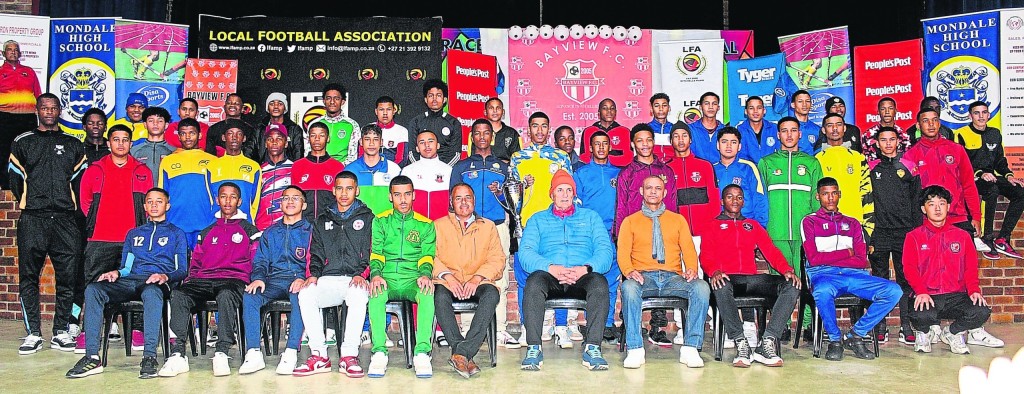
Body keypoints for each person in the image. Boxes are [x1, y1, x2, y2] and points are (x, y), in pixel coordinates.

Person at [65, 188, 187, 378]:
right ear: (145, 206)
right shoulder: (133, 234)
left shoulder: (176, 234)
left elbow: (182, 270)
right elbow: (126, 268)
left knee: (152, 292)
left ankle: (149, 357)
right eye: (150, 202)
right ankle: (92, 357)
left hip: (156, 283)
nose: (154, 205)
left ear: (167, 206)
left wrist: (165, 276)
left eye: (159, 201)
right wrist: (115, 273)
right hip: (132, 280)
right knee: (94, 289)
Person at [158, 182, 261, 377]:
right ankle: (178, 354)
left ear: (239, 201)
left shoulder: (251, 230)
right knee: (179, 293)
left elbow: (257, 262)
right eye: (223, 196)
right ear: (217, 200)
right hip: (204, 280)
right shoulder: (206, 232)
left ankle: (222, 351)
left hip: (234, 279)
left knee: (226, 294)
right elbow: (195, 263)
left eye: (232, 197)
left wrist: (253, 280)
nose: (228, 200)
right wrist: (190, 281)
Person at [10, 93, 86, 355]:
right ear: (37, 111)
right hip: (33, 218)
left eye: (54, 108)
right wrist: (30, 203)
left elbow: (80, 184)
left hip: (65, 220)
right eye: (45, 108)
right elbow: (15, 181)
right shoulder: (23, 142)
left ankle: (61, 331)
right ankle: (32, 333)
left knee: (68, 278)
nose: (49, 112)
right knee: (29, 277)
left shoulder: (73, 145)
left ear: (60, 111)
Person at [518, 170, 613, 371]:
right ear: (551, 194)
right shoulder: (537, 219)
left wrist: (586, 268)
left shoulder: (591, 217)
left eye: (569, 190)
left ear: (574, 193)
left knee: (599, 283)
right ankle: (534, 347)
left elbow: (605, 252)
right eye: (559, 190)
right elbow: (525, 253)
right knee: (533, 282)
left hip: (582, 277)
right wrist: (550, 267)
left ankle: (593, 348)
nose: (564, 194)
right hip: (550, 276)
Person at [801, 177, 901, 361]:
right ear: (817, 196)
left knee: (894, 291)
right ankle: (835, 340)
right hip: (824, 275)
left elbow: (861, 260)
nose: (830, 198)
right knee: (822, 292)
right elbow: (814, 259)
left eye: (834, 193)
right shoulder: (809, 222)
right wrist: (847, 252)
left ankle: (856, 335)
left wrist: (834, 257)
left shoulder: (853, 223)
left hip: (854, 275)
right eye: (825, 194)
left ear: (840, 195)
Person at [702, 185, 800, 367]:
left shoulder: (752, 225)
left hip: (752, 279)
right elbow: (706, 255)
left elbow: (770, 251)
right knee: (720, 284)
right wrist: (714, 271)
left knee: (792, 285)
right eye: (730, 197)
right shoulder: (712, 225)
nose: (735, 201)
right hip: (728, 279)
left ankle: (768, 342)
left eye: (739, 197)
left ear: (743, 202)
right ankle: (741, 342)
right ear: (722, 201)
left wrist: (786, 269)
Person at [617, 175, 709, 368]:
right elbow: (623, 253)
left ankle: (690, 348)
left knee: (701, 287)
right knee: (629, 288)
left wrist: (691, 269)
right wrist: (629, 271)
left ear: (664, 193)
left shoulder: (678, 220)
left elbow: (689, 250)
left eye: (657, 188)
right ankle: (635, 349)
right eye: (648, 188)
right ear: (641, 192)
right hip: (643, 276)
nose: (653, 191)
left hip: (672, 277)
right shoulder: (630, 221)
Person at [79, 123, 154, 350]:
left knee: (138, 283)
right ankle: (89, 332)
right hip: (100, 240)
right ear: (108, 142)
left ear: (131, 144)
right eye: (116, 139)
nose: (120, 143)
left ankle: (137, 331)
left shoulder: (143, 171)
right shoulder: (94, 170)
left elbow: (149, 207)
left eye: (125, 140)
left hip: (132, 241)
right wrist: (97, 225)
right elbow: (85, 204)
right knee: (94, 286)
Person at [292, 171, 374, 377]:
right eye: (339, 188)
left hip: (355, 277)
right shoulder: (322, 219)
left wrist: (361, 273)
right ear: (333, 190)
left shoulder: (368, 218)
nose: (344, 193)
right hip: (329, 277)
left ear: (357, 190)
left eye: (349, 188)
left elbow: (373, 252)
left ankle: (349, 355)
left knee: (358, 294)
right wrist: (313, 275)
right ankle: (319, 355)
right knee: (306, 293)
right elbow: (315, 252)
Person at [904, 185, 1002, 354]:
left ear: (948, 207)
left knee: (981, 310)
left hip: (956, 295)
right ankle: (924, 333)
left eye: (942, 203)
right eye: (931, 204)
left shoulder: (962, 236)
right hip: (929, 295)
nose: (937, 208)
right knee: (919, 314)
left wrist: (974, 291)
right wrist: (920, 291)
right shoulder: (914, 236)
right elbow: (909, 268)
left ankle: (952, 333)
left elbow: (970, 268)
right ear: (923, 209)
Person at [366, 175, 438, 378]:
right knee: (376, 293)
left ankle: (422, 352)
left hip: (412, 278)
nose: (403, 199)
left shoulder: (425, 224)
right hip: (387, 276)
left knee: (427, 293)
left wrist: (425, 275)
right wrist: (376, 275)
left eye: (407, 194)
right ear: (390, 197)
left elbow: (427, 255)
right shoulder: (380, 221)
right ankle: (379, 351)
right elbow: (376, 253)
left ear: (414, 195)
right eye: (397, 195)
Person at [449, 119, 513, 345]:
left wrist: (501, 193)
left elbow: (513, 202)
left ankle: (500, 328)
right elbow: (452, 200)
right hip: (469, 226)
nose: (483, 137)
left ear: (492, 137)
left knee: (500, 277)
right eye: (478, 133)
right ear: (472, 137)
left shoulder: (504, 167)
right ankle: (468, 329)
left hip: (497, 226)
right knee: (469, 273)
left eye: (487, 133)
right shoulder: (462, 167)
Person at [433, 184, 506, 378]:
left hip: (479, 281)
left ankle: (461, 352)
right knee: (439, 295)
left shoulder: (488, 226)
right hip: (448, 281)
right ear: (451, 202)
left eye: (468, 198)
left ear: (474, 200)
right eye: (458, 198)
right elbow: (430, 256)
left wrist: (477, 278)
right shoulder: (438, 225)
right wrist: (448, 276)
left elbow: (497, 259)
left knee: (492, 294)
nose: (464, 202)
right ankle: (463, 352)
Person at [614, 123, 677, 346]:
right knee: (631, 280)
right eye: (640, 140)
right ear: (633, 144)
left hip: (663, 235)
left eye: (648, 140)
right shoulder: (627, 174)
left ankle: (657, 327)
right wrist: (620, 235)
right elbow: (621, 205)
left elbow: (673, 205)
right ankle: (629, 327)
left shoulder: (666, 171)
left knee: (661, 275)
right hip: (634, 235)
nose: (645, 144)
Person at [238, 186, 311, 374]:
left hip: (298, 278)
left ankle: (291, 351)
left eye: (295, 198)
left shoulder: (311, 230)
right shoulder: (270, 232)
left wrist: (304, 277)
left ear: (304, 204)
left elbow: (316, 259)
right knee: (251, 295)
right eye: (286, 198)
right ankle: (253, 352)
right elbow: (260, 260)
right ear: (280, 204)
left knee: (301, 296)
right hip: (274, 279)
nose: (290, 202)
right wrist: (259, 278)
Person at [867, 127, 923, 345]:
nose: (888, 143)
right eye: (884, 140)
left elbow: (918, 201)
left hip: (905, 233)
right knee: (880, 279)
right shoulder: (870, 167)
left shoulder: (909, 167)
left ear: (898, 142)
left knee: (905, 280)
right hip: (879, 233)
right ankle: (880, 325)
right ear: (877, 143)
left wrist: (916, 232)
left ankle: (906, 325)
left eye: (892, 139)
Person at [904, 108, 986, 251]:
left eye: (934, 120)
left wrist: (976, 216)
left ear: (939, 123)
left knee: (965, 267)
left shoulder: (957, 150)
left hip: (958, 218)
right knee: (931, 270)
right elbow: (908, 195)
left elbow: (969, 185)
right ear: (918, 125)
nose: (931, 124)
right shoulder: (910, 156)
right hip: (927, 223)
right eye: (925, 121)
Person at [573, 130, 624, 346]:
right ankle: (593, 324)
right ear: (590, 148)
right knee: (592, 281)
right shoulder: (581, 173)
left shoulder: (620, 173)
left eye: (605, 143)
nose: (601, 147)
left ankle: (608, 324)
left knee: (612, 281)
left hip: (614, 236)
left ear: (610, 146)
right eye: (597, 144)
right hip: (591, 237)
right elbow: (577, 206)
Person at [956, 101, 1024, 259]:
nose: (981, 116)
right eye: (976, 113)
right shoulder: (961, 133)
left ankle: (1002, 238)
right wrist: (980, 173)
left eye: (984, 112)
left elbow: (1000, 161)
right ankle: (987, 238)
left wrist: (1009, 176)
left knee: (1020, 192)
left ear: (989, 114)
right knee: (991, 190)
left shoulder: (995, 133)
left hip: (992, 177)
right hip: (972, 177)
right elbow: (961, 164)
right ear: (970, 115)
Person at [758, 117, 822, 276]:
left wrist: (817, 229)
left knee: (807, 282)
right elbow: (761, 200)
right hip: (775, 233)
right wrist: (762, 231)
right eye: (784, 131)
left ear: (800, 134)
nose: (789, 135)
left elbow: (818, 199)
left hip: (804, 234)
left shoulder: (812, 163)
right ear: (778, 135)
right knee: (782, 284)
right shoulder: (766, 163)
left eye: (793, 130)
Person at [158, 118, 217, 249]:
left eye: (192, 133)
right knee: (178, 267)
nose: (188, 137)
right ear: (178, 136)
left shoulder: (213, 160)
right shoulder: (168, 161)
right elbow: (162, 193)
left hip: (205, 222)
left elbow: (218, 193)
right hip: (176, 223)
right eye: (183, 133)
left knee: (202, 267)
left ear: (200, 135)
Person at [509, 111, 574, 226]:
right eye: (535, 126)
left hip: (556, 221)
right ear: (528, 130)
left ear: (549, 130)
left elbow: (570, 191)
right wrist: (523, 184)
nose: (539, 131)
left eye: (543, 126)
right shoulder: (517, 157)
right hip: (528, 221)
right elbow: (514, 195)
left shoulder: (561, 156)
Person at [816, 113, 875, 237]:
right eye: (830, 125)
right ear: (823, 130)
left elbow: (867, 193)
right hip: (827, 225)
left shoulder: (858, 158)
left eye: (839, 124)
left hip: (855, 223)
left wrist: (868, 228)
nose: (835, 129)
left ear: (845, 128)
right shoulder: (817, 160)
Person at [0, 40, 42, 188]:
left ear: (20, 53)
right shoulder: (0, 72)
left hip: (28, 118)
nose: (13, 52)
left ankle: (29, 186)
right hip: (5, 117)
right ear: (3, 53)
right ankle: (6, 187)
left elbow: (38, 94)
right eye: (9, 49)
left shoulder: (29, 71)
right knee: (5, 152)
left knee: (29, 152)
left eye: (16, 49)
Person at [208, 119, 263, 223]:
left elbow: (256, 202)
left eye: (239, 134)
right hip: (217, 224)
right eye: (230, 133)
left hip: (244, 225)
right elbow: (209, 199)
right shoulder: (212, 166)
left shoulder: (254, 167)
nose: (234, 137)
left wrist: (249, 224)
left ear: (244, 138)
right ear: (224, 137)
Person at [712, 127, 768, 227]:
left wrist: (760, 227)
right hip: (719, 226)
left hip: (745, 225)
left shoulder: (748, 168)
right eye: (724, 142)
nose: (729, 146)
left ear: (739, 146)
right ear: (718, 145)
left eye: (733, 142)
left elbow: (759, 198)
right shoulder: (710, 169)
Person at [292, 122, 345, 221]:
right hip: (303, 225)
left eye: (321, 135)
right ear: (308, 139)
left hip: (329, 224)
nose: (317, 139)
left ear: (328, 138)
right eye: (313, 135)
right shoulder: (297, 166)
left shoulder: (338, 167)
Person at [405, 79, 464, 166]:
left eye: (438, 95)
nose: (434, 99)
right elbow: (412, 153)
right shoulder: (416, 122)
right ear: (425, 99)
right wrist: (421, 168)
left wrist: (441, 170)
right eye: (431, 96)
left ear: (444, 99)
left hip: (445, 170)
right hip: (420, 170)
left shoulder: (454, 123)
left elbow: (456, 154)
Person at [347, 123, 401, 214]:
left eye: (375, 139)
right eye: (367, 139)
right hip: (358, 224)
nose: (371, 144)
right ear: (361, 142)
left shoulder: (394, 170)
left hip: (386, 225)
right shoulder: (350, 171)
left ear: (381, 142)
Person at [401, 129, 453, 220]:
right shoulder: (408, 171)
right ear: (417, 148)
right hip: (416, 225)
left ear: (438, 145)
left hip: (441, 225)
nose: (427, 145)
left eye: (430, 141)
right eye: (422, 142)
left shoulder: (449, 171)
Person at [254, 124, 294, 231]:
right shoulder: (258, 170)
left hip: (287, 228)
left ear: (286, 144)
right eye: (270, 139)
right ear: (266, 144)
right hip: (262, 229)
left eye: (279, 139)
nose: (274, 142)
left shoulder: (295, 169)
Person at [310, 84, 360, 165]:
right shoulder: (314, 124)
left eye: (336, 98)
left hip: (342, 170)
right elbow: (308, 150)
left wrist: (338, 168)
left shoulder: (352, 125)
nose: (332, 102)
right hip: (317, 167)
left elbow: (353, 156)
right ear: (324, 101)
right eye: (328, 98)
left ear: (343, 102)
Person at [254, 92, 305, 162]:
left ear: (285, 108)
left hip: (288, 170)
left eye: (280, 104)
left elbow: (298, 155)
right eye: (272, 104)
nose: (276, 107)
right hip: (262, 170)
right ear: (267, 108)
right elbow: (249, 152)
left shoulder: (294, 129)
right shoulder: (259, 129)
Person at [579, 98, 632, 167]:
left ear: (615, 112)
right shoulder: (589, 131)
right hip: (594, 171)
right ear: (599, 112)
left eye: (612, 108)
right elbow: (584, 157)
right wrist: (615, 156)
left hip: (619, 172)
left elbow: (628, 158)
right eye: (605, 108)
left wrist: (601, 158)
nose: (609, 111)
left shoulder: (625, 132)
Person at [206, 94, 258, 159]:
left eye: (236, 103)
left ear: (242, 109)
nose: (232, 105)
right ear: (224, 107)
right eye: (229, 103)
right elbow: (209, 154)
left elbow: (252, 154)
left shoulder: (250, 130)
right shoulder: (214, 129)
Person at [131, 107, 176, 180]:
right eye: (151, 121)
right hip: (142, 191)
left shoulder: (174, 152)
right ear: (145, 124)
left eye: (160, 121)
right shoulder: (133, 151)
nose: (155, 124)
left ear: (166, 125)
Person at [862, 97, 910, 162]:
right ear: (878, 112)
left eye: (890, 108)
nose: (887, 112)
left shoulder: (903, 135)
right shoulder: (868, 135)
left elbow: (907, 159)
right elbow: (866, 160)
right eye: (883, 109)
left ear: (895, 111)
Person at [688, 92, 728, 162]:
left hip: (720, 171)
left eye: (714, 104)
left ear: (718, 108)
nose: (710, 107)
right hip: (697, 171)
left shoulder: (726, 131)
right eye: (707, 103)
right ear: (700, 107)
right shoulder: (690, 129)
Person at [483, 97, 521, 162]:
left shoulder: (512, 133)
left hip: (505, 170)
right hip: (483, 170)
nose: (495, 111)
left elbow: (518, 159)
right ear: (485, 112)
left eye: (498, 108)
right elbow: (472, 158)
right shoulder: (478, 132)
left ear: (503, 112)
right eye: (491, 108)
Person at [373, 96, 410, 163]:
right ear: (376, 111)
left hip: (393, 170)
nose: (385, 113)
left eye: (389, 109)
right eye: (381, 109)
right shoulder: (367, 128)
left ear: (394, 111)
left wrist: (392, 170)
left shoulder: (402, 131)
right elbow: (361, 155)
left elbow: (402, 159)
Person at [648, 93, 678, 162]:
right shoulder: (645, 130)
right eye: (656, 106)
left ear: (669, 108)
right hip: (652, 168)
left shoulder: (675, 129)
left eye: (664, 105)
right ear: (651, 109)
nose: (661, 109)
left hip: (672, 168)